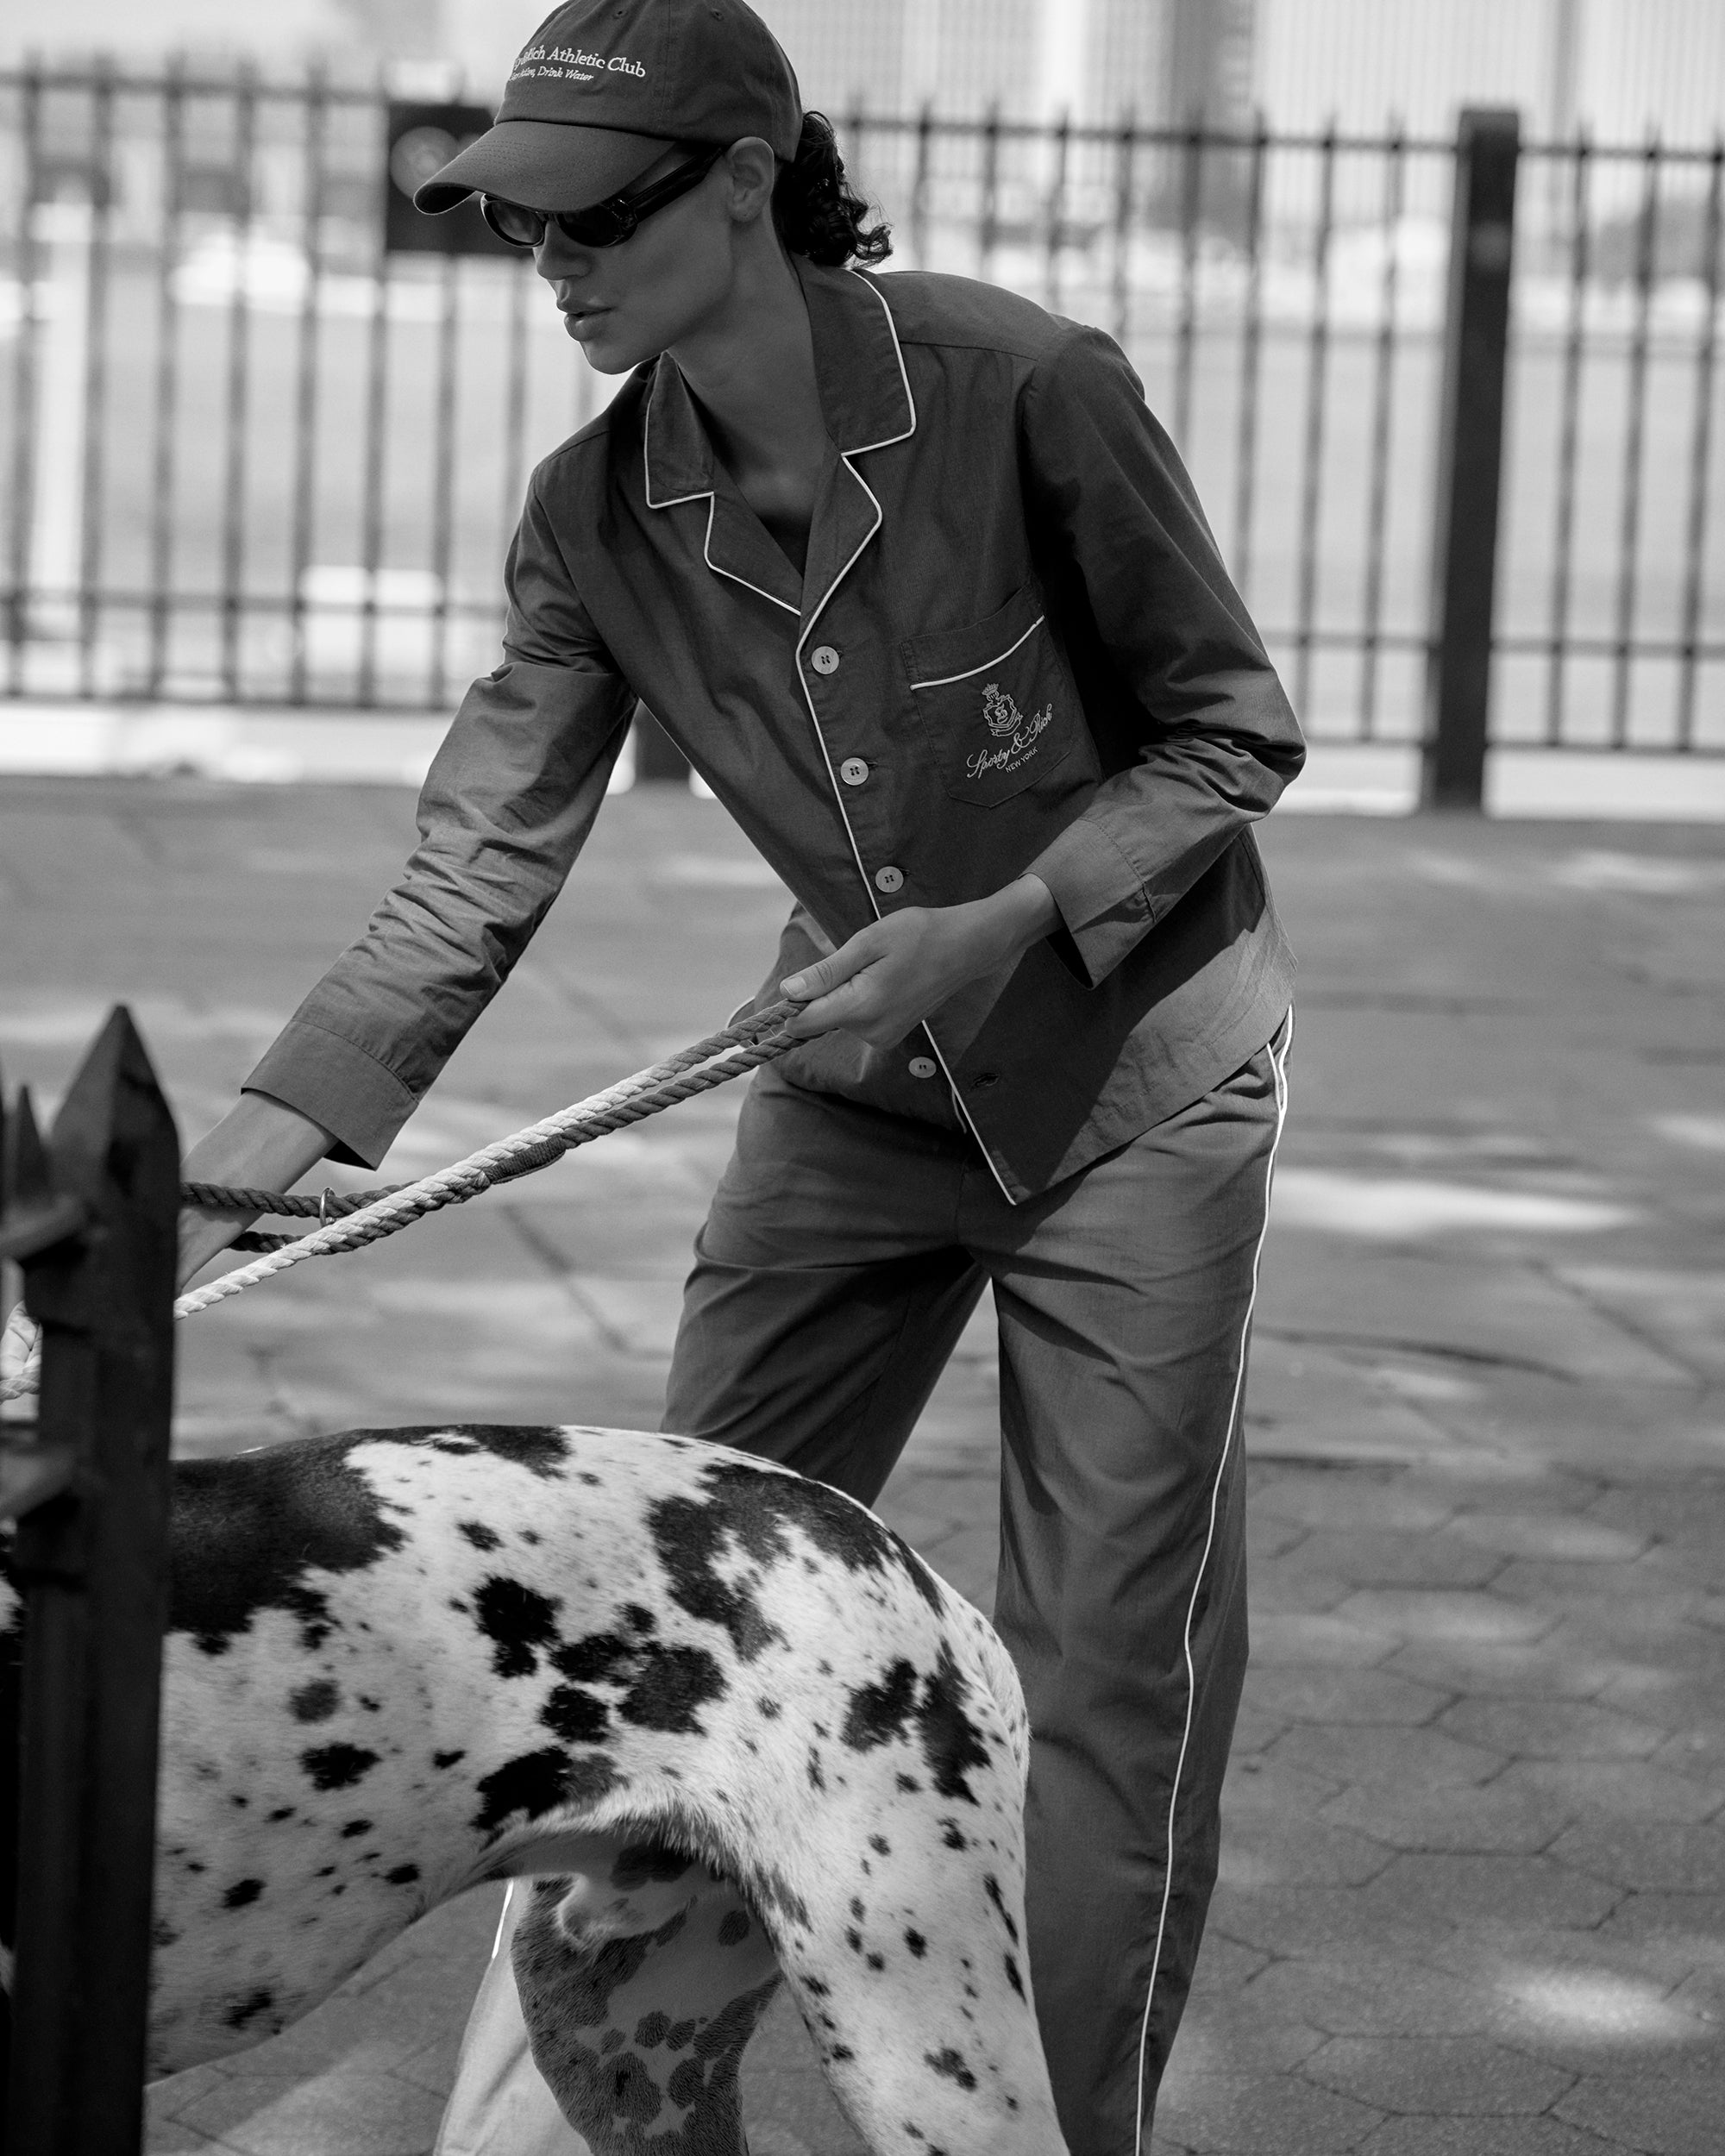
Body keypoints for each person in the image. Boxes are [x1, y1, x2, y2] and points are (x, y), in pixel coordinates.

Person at [173, 0, 1303, 2147]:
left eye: (591, 218)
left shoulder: (1027, 386)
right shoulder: (590, 511)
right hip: (852, 1088)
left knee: (1099, 1681)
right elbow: (472, 867)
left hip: (1139, 1094)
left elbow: (1227, 731)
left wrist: (998, 921)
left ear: (743, 186)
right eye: (518, 225)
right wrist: (226, 1182)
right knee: (650, 1624)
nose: (552, 263)